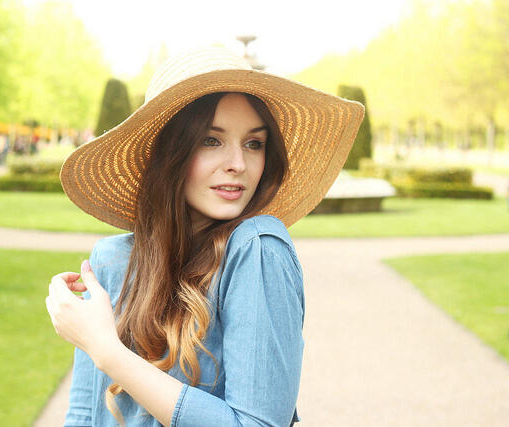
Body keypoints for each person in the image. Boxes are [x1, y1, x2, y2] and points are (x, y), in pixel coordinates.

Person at [46, 47, 364, 426]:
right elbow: (84, 414)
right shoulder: (111, 261)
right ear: (170, 153)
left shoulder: (256, 249)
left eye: (254, 143)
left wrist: (107, 351)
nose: (238, 164)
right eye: (211, 141)